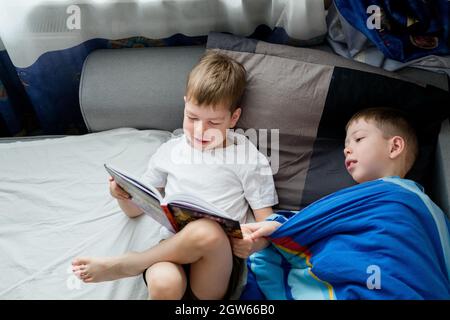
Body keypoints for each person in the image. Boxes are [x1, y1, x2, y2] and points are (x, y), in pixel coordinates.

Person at [71, 52, 278, 300]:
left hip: (217, 263)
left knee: (208, 230)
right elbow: (135, 210)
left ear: (233, 118)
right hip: (170, 251)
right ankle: (142, 264)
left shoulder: (248, 157)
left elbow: (269, 224)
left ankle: (130, 263)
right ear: (184, 104)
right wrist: (121, 195)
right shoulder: (170, 151)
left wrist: (254, 243)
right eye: (192, 118)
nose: (200, 130)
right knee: (163, 283)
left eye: (213, 122)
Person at [239, 107, 450, 299]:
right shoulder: (348, 202)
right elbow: (315, 223)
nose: (346, 150)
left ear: (395, 146)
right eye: (346, 145)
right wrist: (280, 228)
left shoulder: (412, 203)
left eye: (358, 139)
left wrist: (282, 228)